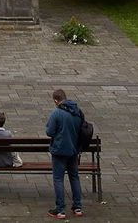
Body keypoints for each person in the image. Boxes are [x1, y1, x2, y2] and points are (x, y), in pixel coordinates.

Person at [44, 88, 84, 220]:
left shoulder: (57, 113)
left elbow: (49, 132)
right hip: (73, 150)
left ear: (56, 100)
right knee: (74, 177)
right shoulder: (78, 112)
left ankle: (60, 209)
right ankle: (77, 206)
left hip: (60, 151)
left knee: (58, 179)